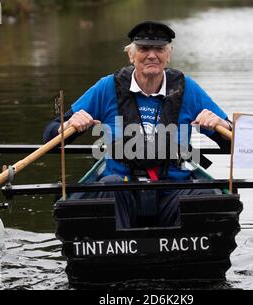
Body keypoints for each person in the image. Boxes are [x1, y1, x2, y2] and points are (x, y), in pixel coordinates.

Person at [43, 20, 232, 229]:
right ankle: (115, 250)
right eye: (143, 48)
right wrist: (66, 126)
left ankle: (186, 252)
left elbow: (232, 145)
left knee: (206, 197)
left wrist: (222, 124)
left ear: (168, 55)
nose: (152, 55)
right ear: (131, 55)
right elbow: (50, 137)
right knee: (109, 186)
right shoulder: (107, 87)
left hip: (175, 191)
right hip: (122, 192)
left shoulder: (188, 89)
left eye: (159, 49)